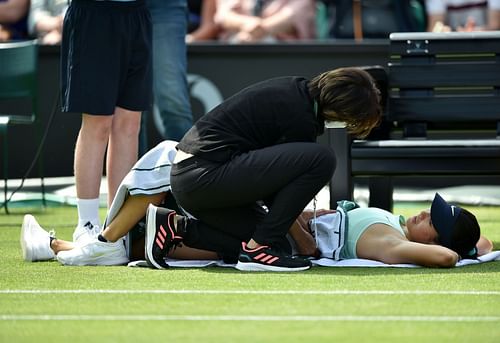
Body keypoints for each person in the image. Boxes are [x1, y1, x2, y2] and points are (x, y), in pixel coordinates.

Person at [142, 67, 382, 272]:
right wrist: (305, 240)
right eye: (351, 122)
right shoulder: (300, 116)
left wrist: (294, 235)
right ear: (342, 109)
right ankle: (258, 249)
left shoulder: (298, 93)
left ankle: (175, 228)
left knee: (281, 246)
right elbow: (275, 190)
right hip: (204, 175)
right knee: (323, 158)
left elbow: (270, 181)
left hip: (195, 179)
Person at [60, 0, 153, 244]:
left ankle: (117, 226)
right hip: (94, 14)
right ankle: (86, 224)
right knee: (98, 122)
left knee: (129, 125)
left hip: (138, 13)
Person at [289, 193, 494, 267]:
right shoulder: (402, 228)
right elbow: (484, 244)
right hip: (296, 221)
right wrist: (469, 249)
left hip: (287, 234)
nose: (423, 214)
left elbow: (446, 257)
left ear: (433, 244)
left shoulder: (393, 243)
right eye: (431, 211)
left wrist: (290, 213)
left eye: (431, 223)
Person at [139, 0, 193, 157]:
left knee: (172, 98)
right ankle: (134, 179)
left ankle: (187, 172)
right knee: (128, 110)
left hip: (165, 6)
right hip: (116, 7)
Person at [214, 0, 316, 43]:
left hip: (285, 60)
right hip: (236, 56)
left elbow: (292, 17)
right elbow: (223, 15)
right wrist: (247, 24)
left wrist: (259, 29)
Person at [426, 0, 500, 32]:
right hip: (451, 49)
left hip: (486, 48)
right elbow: (435, 28)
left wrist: (471, 33)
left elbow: (495, 26)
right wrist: (442, 31)